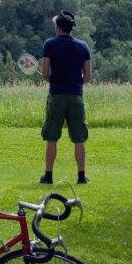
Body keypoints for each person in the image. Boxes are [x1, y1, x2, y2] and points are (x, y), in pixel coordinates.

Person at [38, 10, 92, 185]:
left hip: (56, 96)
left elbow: (45, 73)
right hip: (76, 96)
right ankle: (81, 177)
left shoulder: (49, 45)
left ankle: (48, 176)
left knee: (52, 137)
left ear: (58, 27)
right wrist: (76, 82)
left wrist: (51, 78)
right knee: (79, 138)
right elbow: (88, 77)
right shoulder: (83, 46)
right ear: (71, 28)